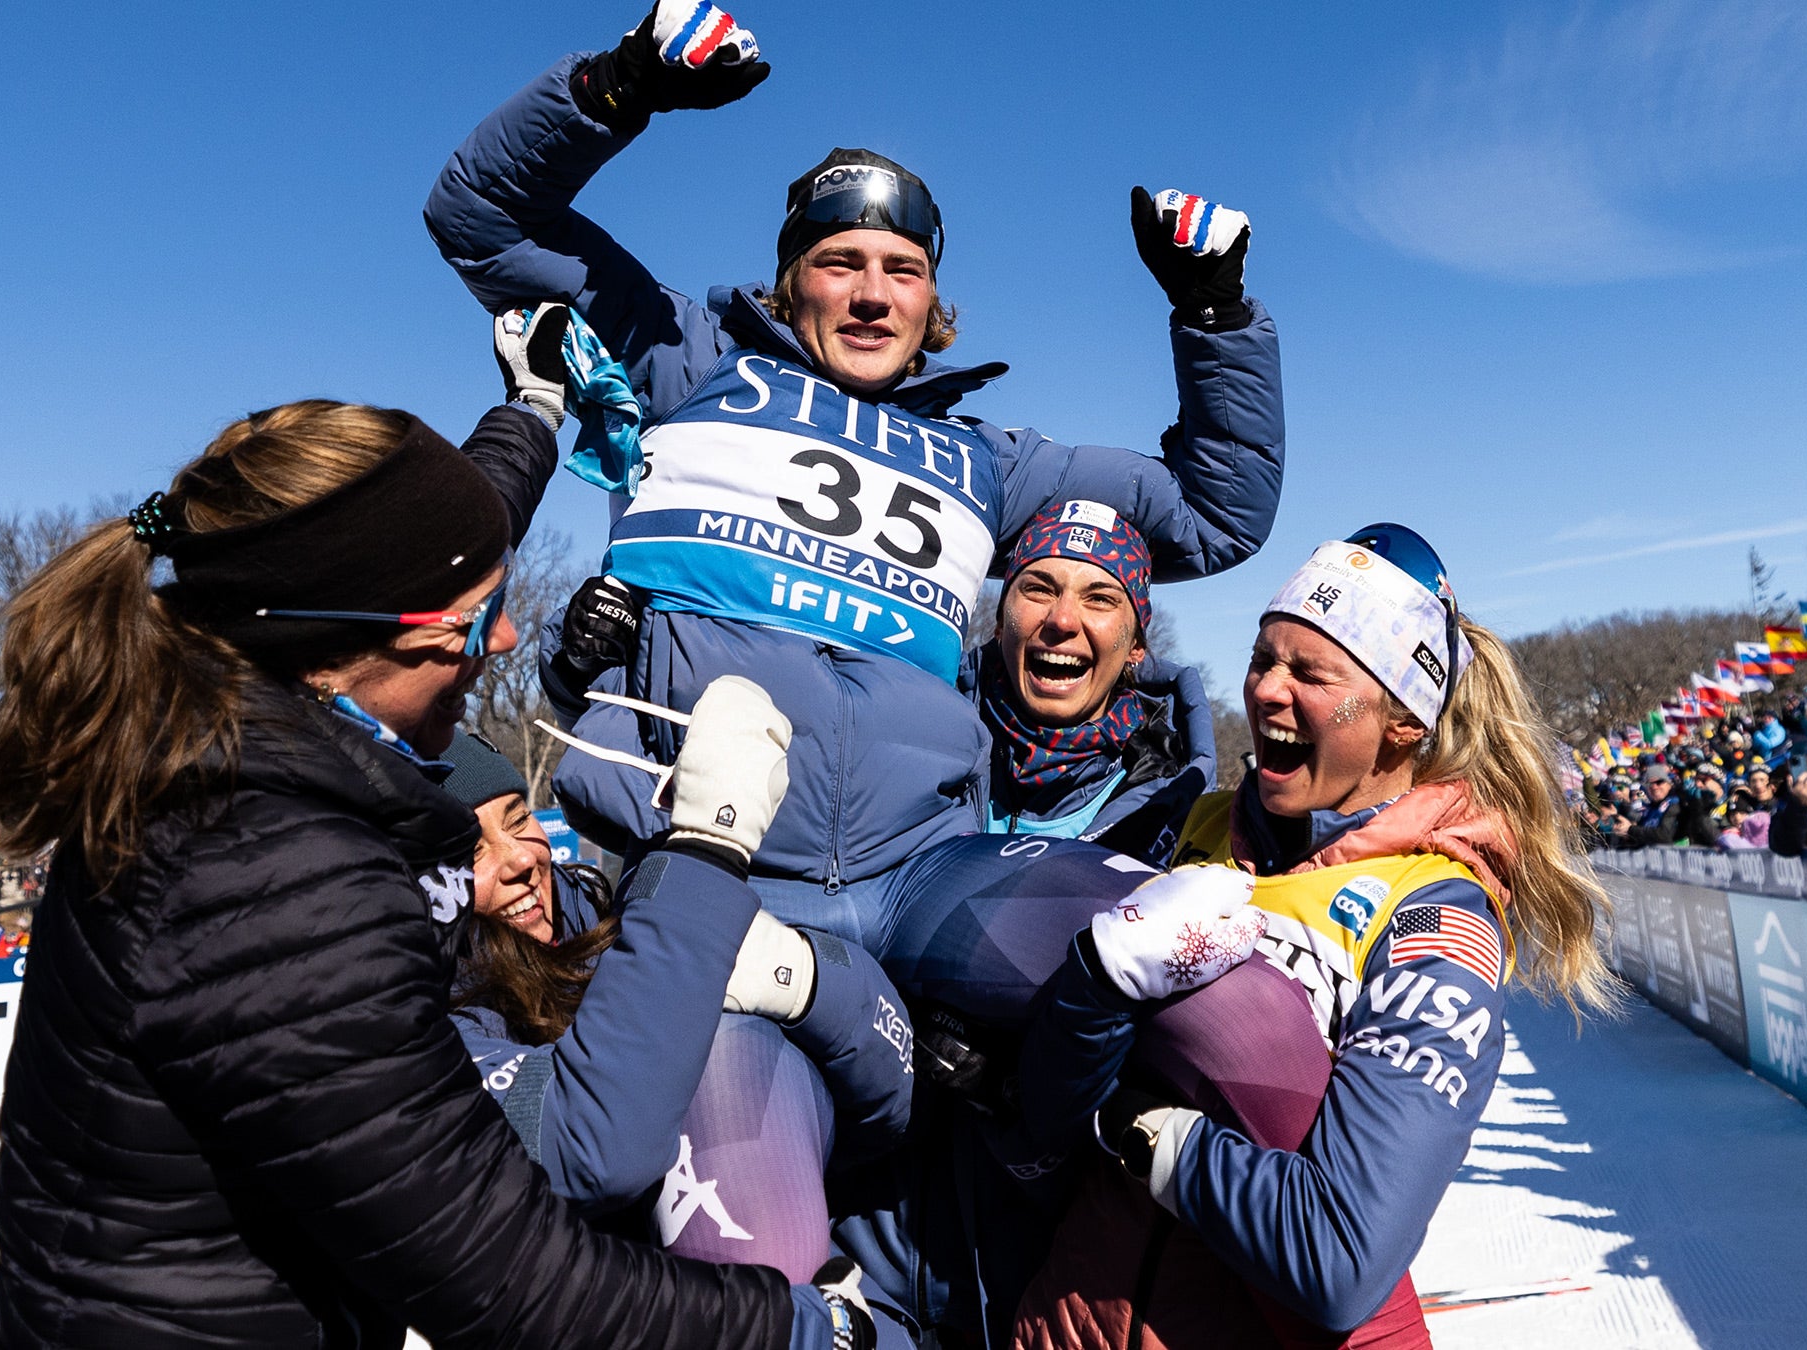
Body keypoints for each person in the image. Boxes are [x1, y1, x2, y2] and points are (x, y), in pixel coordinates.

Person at [0, 401, 890, 1350]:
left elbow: (413, 532)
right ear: (357, 636)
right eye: (477, 624)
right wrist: (809, 1330)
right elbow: (512, 1284)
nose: (508, 640)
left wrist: (533, 416)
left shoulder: (238, 715)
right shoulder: (270, 875)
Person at [426, 0, 1284, 939]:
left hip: (914, 887)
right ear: (790, 280)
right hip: (707, 870)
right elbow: (480, 216)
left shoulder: (989, 460)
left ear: (932, 300)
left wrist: (1215, 317)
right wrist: (618, 85)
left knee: (1144, 958)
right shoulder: (693, 361)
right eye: (840, 262)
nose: (873, 294)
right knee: (754, 1088)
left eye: (903, 269)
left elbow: (1214, 512)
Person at [1013, 525, 1614, 1348]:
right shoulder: (1200, 824)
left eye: (1310, 673)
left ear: (1403, 721)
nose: (1266, 690)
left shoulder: (1433, 913)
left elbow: (1342, 1261)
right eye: (1264, 659)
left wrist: (1138, 1127)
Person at [441, 725, 916, 1282]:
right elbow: (588, 1144)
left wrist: (800, 976)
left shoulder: (624, 915)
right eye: (469, 850)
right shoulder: (429, 1023)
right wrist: (709, 843)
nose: (519, 859)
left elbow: (895, 1096)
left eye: (519, 819)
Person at [978, 502, 1216, 862]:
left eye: (1100, 599)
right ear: (1000, 625)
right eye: (1039, 590)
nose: (1062, 620)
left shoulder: (1181, 815)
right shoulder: (925, 739)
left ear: (1135, 646)